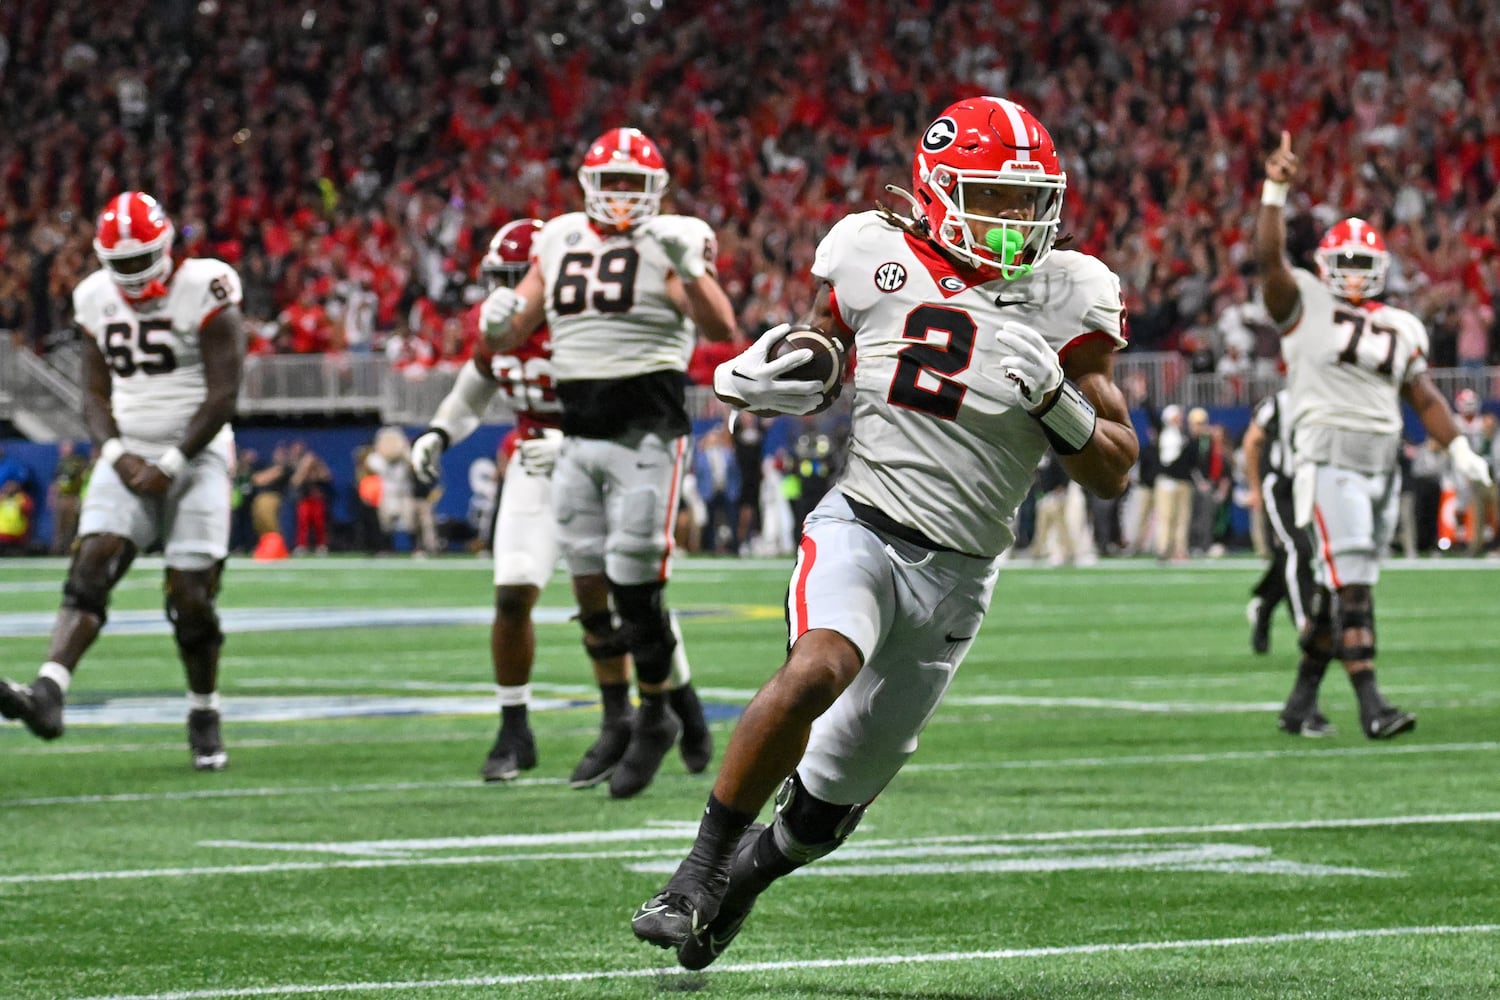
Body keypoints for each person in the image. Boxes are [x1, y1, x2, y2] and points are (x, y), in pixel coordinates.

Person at [631, 96, 1136, 967]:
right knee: (817, 666)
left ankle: (743, 879)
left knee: (827, 810)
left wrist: (1060, 403)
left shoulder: (1071, 294)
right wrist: (786, 366)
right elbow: (827, 351)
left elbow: (1115, 466)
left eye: (1029, 199)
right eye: (995, 197)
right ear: (939, 190)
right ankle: (697, 869)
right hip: (863, 522)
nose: (1018, 220)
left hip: (961, 573)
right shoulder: (874, 253)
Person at [411, 217, 714, 789]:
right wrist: (438, 432)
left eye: (515, 278)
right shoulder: (501, 328)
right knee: (513, 589)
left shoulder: (590, 328)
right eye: (497, 279)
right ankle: (517, 727)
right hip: (535, 463)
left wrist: (573, 441)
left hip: (604, 460)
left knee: (633, 600)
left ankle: (678, 708)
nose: (505, 294)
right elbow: (473, 386)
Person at [479, 128, 736, 798]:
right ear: (589, 184)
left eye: (633, 183)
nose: (622, 196)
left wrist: (696, 271)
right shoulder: (558, 236)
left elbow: (719, 328)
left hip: (647, 433)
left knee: (635, 587)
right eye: (612, 182)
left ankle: (658, 714)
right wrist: (493, 323)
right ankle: (629, 714)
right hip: (577, 433)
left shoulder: (674, 236)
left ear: (657, 190)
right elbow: (513, 329)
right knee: (589, 582)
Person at [1257, 131, 1494, 740]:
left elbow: (1424, 395)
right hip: (1328, 456)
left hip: (1382, 462)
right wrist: (1275, 191)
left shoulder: (1402, 325)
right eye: (1347, 262)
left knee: (1339, 591)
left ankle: (1299, 702)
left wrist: (1460, 447)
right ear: (1324, 266)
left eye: (1366, 263)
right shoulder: (1303, 302)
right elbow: (1268, 261)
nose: (1356, 273)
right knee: (1356, 582)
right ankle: (1373, 704)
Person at [0, 191, 243, 770]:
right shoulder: (92, 297)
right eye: (122, 264)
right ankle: (49, 691)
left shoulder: (207, 286)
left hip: (199, 452)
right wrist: (113, 451)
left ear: (164, 250)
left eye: (142, 261)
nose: (133, 276)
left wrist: (173, 462)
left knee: (191, 596)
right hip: (127, 450)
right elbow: (93, 391)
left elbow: (225, 393)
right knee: (90, 565)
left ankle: (203, 711)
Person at [1242, 389, 1321, 692]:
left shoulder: (1328, 397)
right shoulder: (1279, 403)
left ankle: (1264, 607)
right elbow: (1252, 441)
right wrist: (1254, 487)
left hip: (1310, 485)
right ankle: (1306, 623)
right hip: (1281, 486)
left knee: (1292, 555)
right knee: (1297, 548)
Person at [47, 439, 89, 554]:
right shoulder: (60, 462)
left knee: (71, 525)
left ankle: (68, 549)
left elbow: (83, 479)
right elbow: (55, 481)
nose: (64, 450)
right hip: (61, 497)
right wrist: (52, 496)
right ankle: (57, 549)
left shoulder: (78, 462)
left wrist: (80, 497)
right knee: (59, 524)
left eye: (66, 447)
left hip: (72, 497)